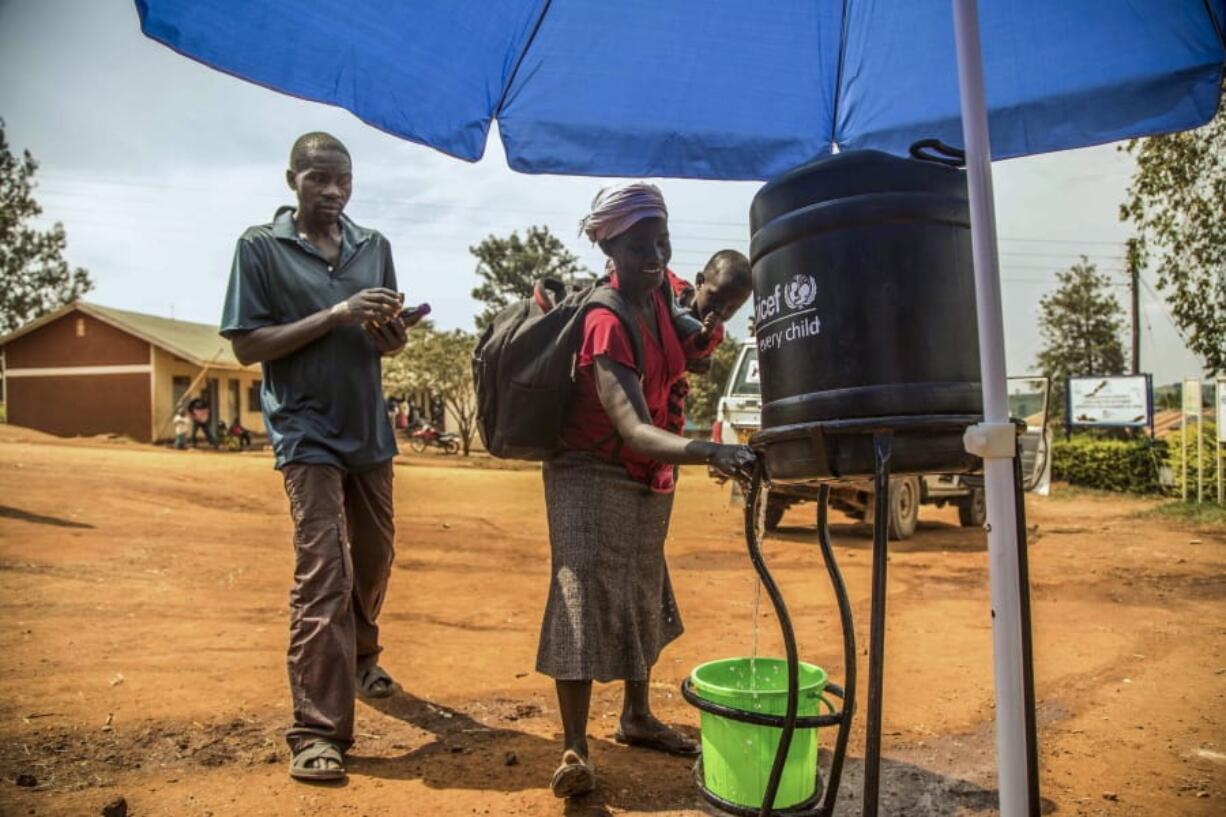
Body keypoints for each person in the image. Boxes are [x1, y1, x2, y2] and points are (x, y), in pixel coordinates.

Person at [537, 182, 755, 799]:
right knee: (579, 589)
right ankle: (575, 748)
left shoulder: (661, 293)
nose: (655, 256)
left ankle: (636, 716)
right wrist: (711, 449)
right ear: (610, 246)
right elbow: (633, 428)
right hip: (589, 469)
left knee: (641, 585)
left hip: (649, 471)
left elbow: (688, 353)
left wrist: (709, 329)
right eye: (639, 246)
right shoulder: (604, 320)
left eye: (661, 241)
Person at [219, 132, 409, 783]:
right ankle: (316, 729)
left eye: (342, 181)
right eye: (318, 180)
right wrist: (335, 314)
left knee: (376, 555)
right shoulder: (259, 248)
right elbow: (248, 346)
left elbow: (384, 340)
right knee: (324, 567)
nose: (331, 192)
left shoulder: (373, 246)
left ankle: (360, 653)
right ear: (292, 179)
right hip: (306, 432)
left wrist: (391, 334)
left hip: (369, 431)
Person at [663, 251, 753, 437]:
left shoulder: (716, 333)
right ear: (699, 281)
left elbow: (692, 355)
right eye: (715, 298)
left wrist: (703, 336)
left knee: (671, 429)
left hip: (667, 387)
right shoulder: (674, 289)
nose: (720, 310)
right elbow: (660, 271)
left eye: (732, 308)